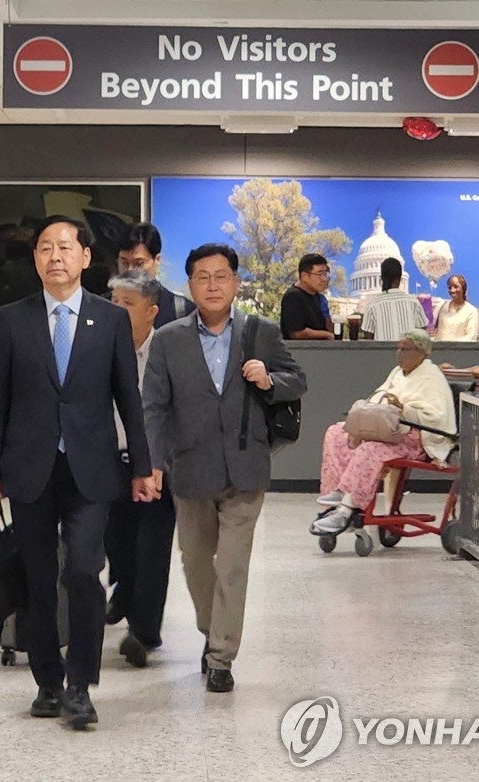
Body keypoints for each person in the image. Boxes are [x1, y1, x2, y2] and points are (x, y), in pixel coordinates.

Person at [0, 215, 156, 729]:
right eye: (44, 248)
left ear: (85, 257)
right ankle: (47, 683)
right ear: (35, 259)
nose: (54, 256)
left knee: (82, 570)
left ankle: (80, 685)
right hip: (29, 468)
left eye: (64, 247)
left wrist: (142, 465)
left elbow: (128, 399)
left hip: (92, 469)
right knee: (38, 578)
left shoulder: (111, 319)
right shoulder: (13, 319)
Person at [142, 243, 306, 695]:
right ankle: (212, 630)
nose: (212, 285)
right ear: (190, 285)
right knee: (196, 563)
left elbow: (298, 380)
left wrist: (269, 380)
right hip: (190, 467)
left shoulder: (260, 332)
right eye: (202, 277)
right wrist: (152, 463)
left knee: (232, 566)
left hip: (245, 466)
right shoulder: (168, 339)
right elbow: (153, 406)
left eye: (221, 276)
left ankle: (221, 657)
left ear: (235, 282)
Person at [103, 269, 176, 668]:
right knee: (117, 543)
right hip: (108, 462)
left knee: (151, 549)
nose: (117, 310)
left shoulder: (167, 352)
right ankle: (124, 594)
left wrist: (158, 461)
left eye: (127, 304)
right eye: (113, 303)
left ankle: (144, 632)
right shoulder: (98, 350)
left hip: (155, 466)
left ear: (152, 311)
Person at [313, 329, 456, 534]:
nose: (399, 353)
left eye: (405, 349)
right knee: (336, 433)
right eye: (398, 348)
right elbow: (379, 396)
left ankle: (347, 508)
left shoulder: (432, 377)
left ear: (421, 352)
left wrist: (404, 409)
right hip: (387, 428)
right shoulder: (397, 373)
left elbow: (437, 417)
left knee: (371, 448)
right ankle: (337, 492)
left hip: (416, 437)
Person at [115, 222, 191, 327]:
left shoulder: (182, 311)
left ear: (157, 260)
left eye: (139, 263)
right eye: (124, 263)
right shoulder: (103, 307)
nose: (130, 270)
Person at [360, 257, 427, 340]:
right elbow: (422, 333)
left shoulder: (372, 306)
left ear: (382, 278)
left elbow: (368, 340)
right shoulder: (413, 302)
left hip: (383, 348)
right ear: (400, 278)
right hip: (407, 348)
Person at [280, 253, 335, 340]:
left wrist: (327, 317)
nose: (324, 279)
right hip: (299, 348)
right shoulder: (293, 296)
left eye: (325, 274)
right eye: (319, 274)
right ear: (304, 276)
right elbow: (296, 333)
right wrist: (327, 335)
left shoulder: (318, 297)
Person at [432, 274, 479, 341]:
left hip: (459, 348)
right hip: (439, 347)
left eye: (456, 287)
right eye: (450, 287)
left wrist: (451, 345)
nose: (452, 290)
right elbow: (432, 330)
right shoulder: (441, 306)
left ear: (463, 288)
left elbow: (471, 336)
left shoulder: (471, 311)